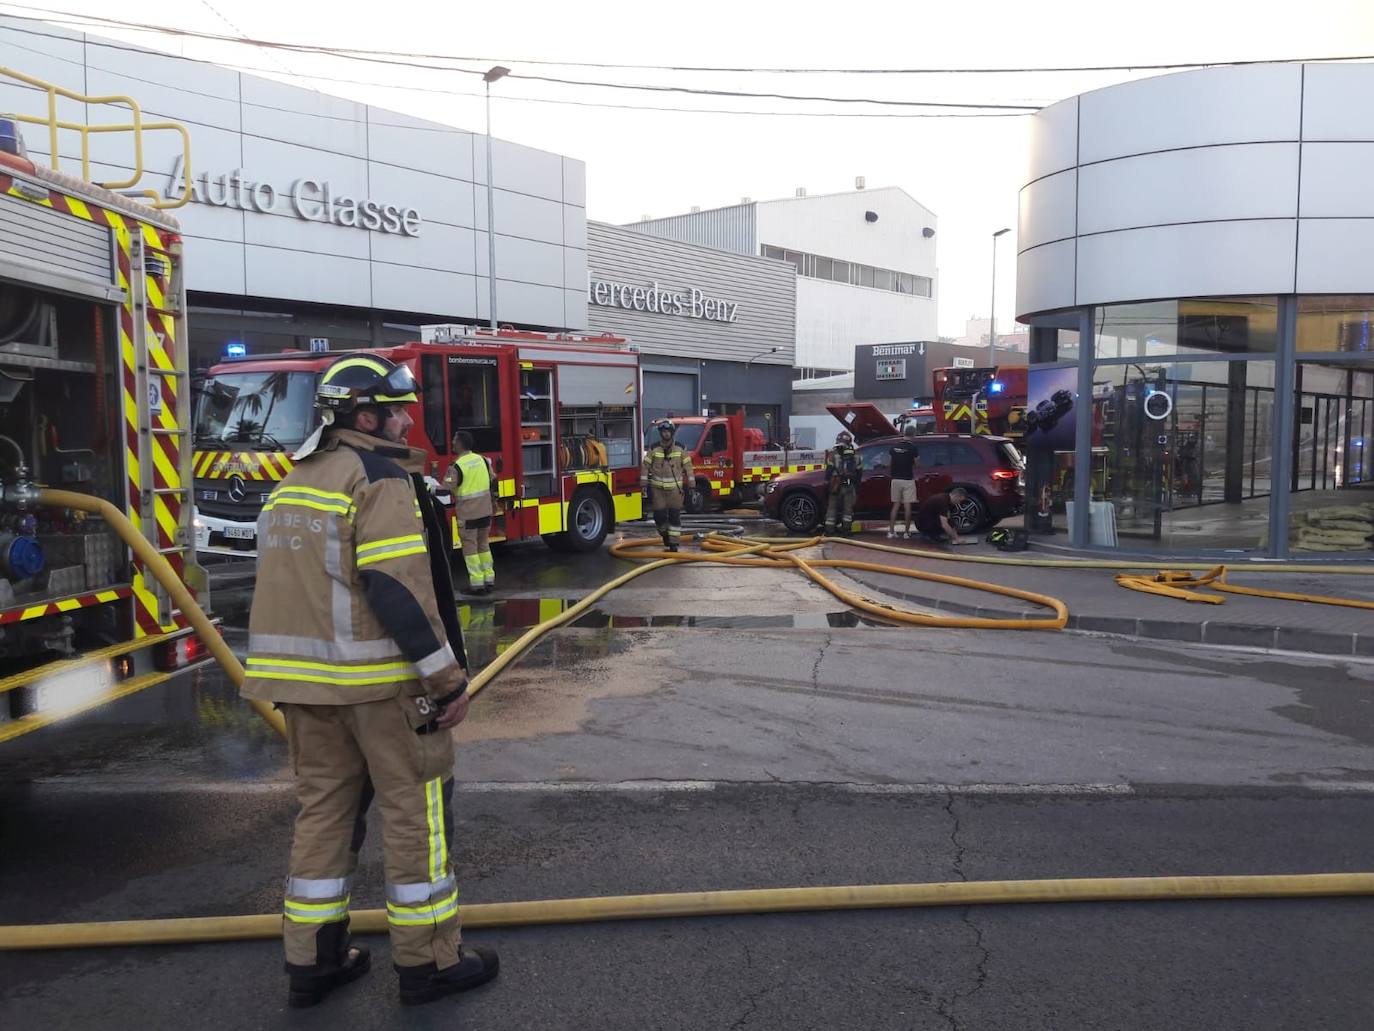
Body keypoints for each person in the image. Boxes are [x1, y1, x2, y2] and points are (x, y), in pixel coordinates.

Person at [241, 353, 499, 1009]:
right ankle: (431, 961)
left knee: (324, 813)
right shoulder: (378, 478)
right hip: (382, 687)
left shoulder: (294, 480)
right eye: (398, 405)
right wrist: (447, 681)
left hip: (304, 689)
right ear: (365, 414)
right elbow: (396, 588)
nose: (409, 416)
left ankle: (314, 961)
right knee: (417, 816)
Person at [444, 430, 497, 596]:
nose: (452, 443)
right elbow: (494, 480)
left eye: (454, 440)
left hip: (468, 515)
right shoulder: (482, 460)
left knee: (470, 549)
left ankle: (477, 585)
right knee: (484, 545)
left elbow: (446, 488)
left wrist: (428, 488)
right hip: (485, 512)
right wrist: (494, 501)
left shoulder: (456, 466)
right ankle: (489, 580)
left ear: (460, 443)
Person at [641, 418, 693, 551]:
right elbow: (646, 465)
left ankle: (674, 543)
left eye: (668, 431)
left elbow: (688, 466)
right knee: (659, 517)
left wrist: (692, 483)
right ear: (660, 433)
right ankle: (665, 534)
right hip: (658, 491)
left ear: (672, 432)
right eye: (663, 431)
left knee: (675, 516)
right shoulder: (654, 449)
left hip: (675, 491)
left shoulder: (680, 448)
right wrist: (643, 482)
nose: (666, 434)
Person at [823, 430, 863, 535]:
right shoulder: (855, 455)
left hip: (835, 485)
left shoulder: (832, 454)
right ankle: (846, 530)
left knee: (832, 508)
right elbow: (859, 472)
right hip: (849, 485)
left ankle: (829, 530)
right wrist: (857, 486)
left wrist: (827, 483)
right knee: (848, 509)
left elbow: (829, 471)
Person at [887, 425, 919, 539]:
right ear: (914, 434)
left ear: (904, 433)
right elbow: (917, 464)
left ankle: (891, 531)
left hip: (895, 480)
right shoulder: (913, 448)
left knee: (895, 505)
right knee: (907, 506)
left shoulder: (894, 447)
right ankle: (906, 532)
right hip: (908, 480)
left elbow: (889, 463)